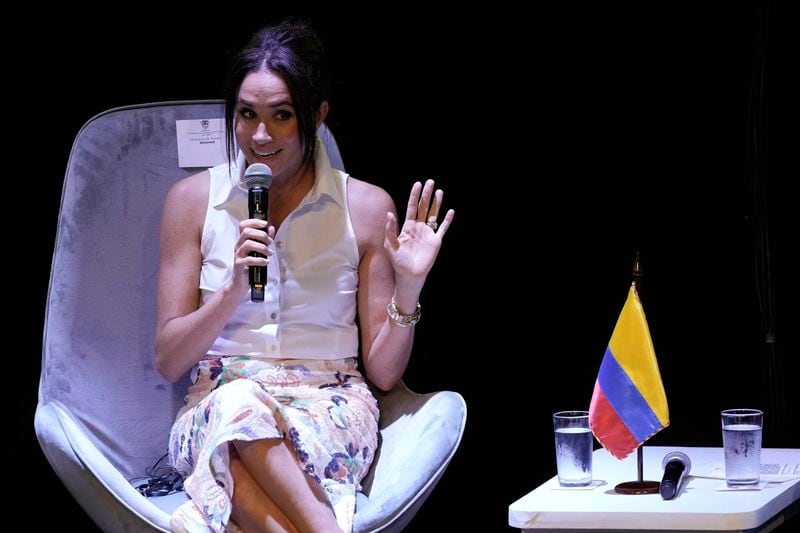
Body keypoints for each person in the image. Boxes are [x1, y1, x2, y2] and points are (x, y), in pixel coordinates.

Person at [155, 19, 454, 533]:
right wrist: (230, 291)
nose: (260, 135)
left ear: (316, 117)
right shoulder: (191, 203)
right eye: (247, 115)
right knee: (239, 407)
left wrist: (408, 288)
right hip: (218, 402)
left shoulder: (363, 207)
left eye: (282, 116)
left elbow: (383, 375)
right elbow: (168, 360)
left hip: (330, 405)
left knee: (238, 467)